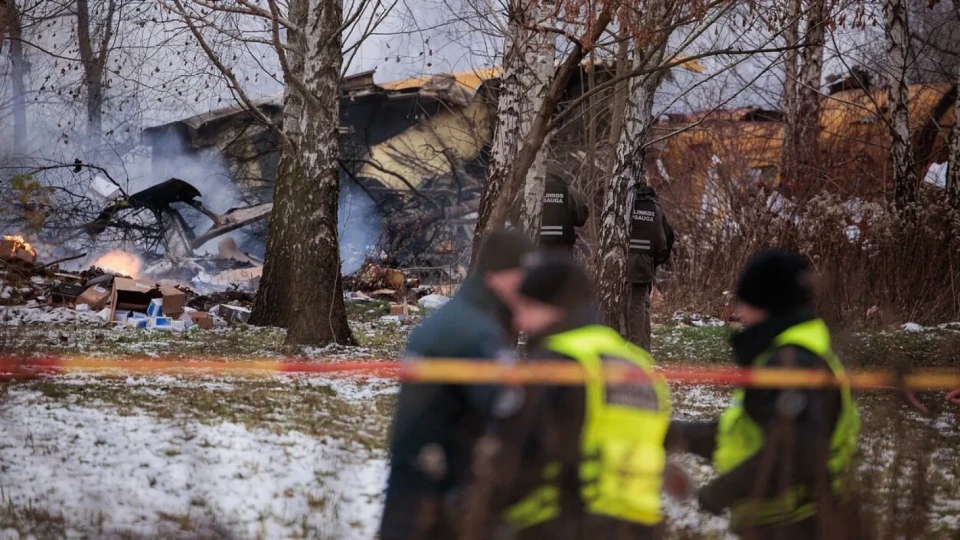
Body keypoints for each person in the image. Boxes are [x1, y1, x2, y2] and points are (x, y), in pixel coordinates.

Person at [666, 249, 862, 539]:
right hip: (790, 520)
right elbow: (748, 434)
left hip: (803, 523)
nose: (739, 312)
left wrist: (722, 492)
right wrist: (674, 435)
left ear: (770, 305)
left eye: (747, 303)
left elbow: (795, 453)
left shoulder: (794, 362)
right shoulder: (786, 354)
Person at [483, 253, 672, 540]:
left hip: (570, 522)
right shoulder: (638, 364)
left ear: (555, 308)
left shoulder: (558, 361)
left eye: (527, 308)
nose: (520, 321)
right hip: (641, 525)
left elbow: (519, 450)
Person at [379, 229, 535, 540]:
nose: (526, 289)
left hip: (419, 487)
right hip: (435, 498)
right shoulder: (475, 332)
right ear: (497, 275)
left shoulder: (465, 318)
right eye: (522, 278)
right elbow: (509, 409)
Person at [627, 185, 674, 350]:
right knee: (640, 303)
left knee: (637, 303)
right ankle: (640, 348)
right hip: (644, 262)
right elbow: (663, 241)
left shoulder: (625, 203)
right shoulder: (655, 208)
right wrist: (656, 262)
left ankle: (637, 347)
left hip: (625, 259)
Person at [539, 160, 589, 253]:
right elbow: (581, 218)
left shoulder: (531, 190)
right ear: (560, 173)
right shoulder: (569, 190)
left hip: (535, 244)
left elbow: (514, 217)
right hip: (562, 246)